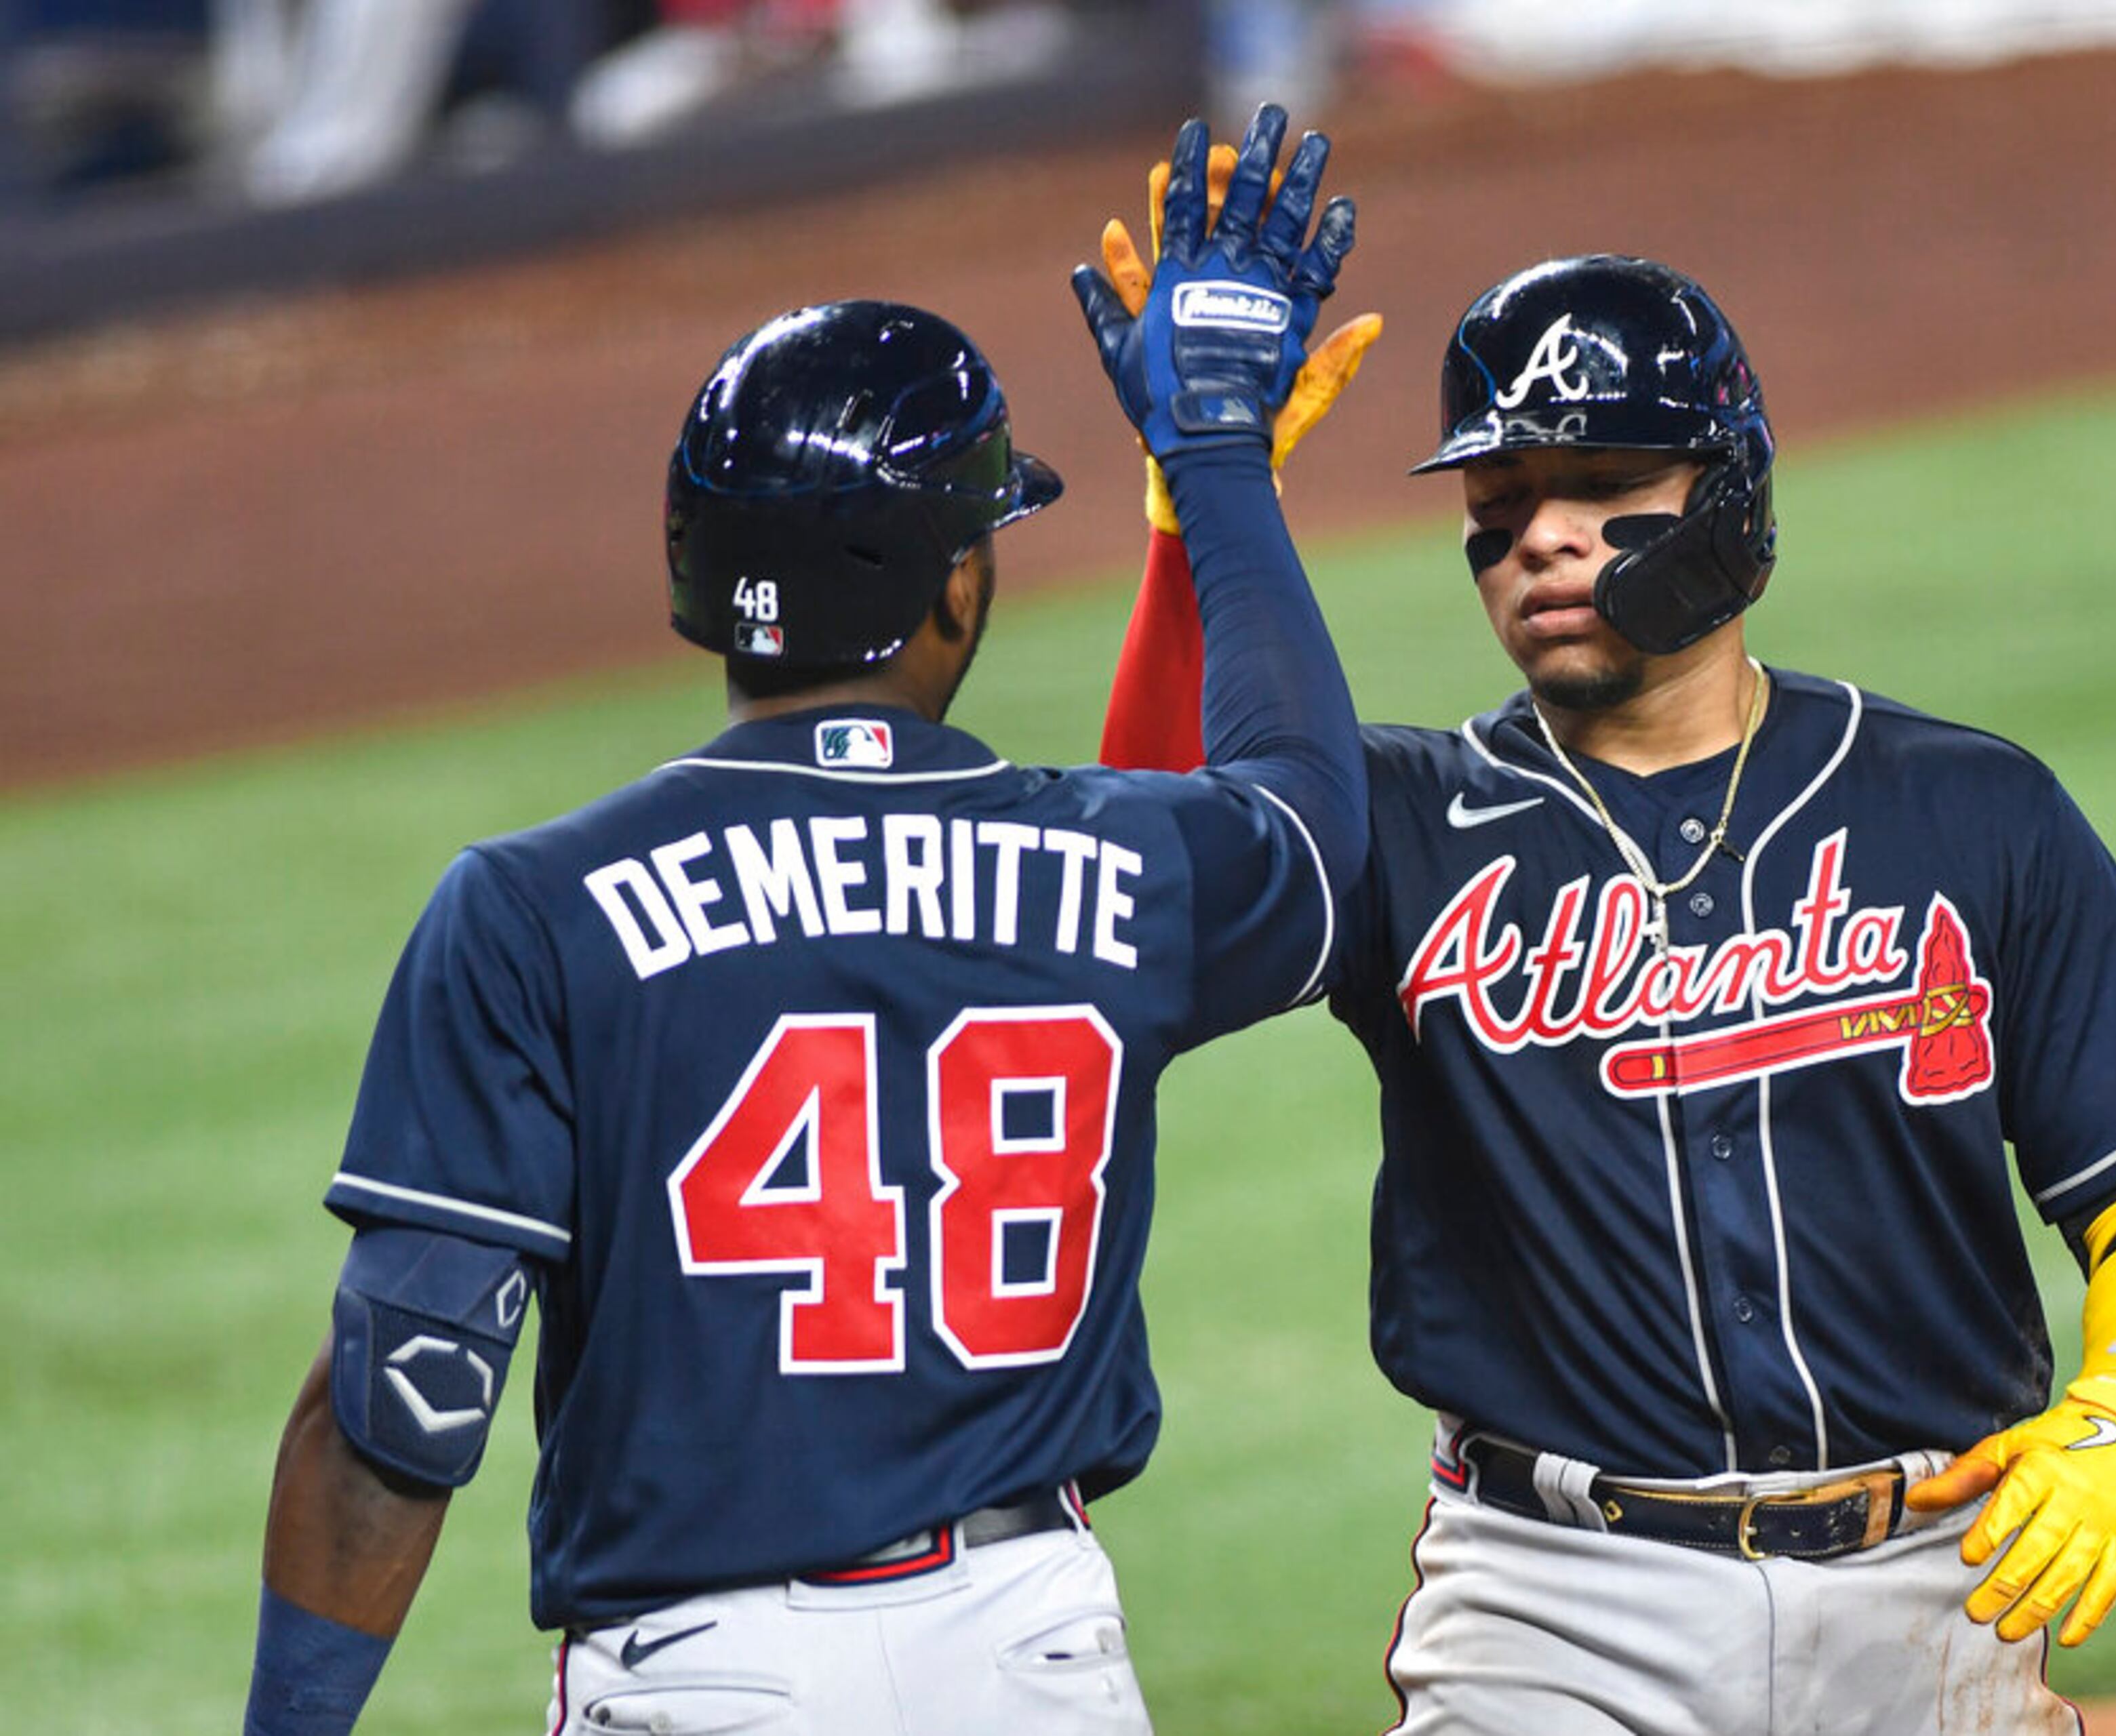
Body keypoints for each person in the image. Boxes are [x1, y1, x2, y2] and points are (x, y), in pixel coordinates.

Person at [242, 102, 1365, 1735]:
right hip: (1027, 1649)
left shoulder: (530, 908)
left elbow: (401, 1409)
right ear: (953, 585)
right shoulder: (1104, 869)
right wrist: (1209, 468)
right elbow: (1294, 829)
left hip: (711, 1675)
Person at [1098, 250, 2116, 1733]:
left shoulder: (1964, 809)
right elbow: (1146, 886)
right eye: (1497, 509)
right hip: (1556, 1601)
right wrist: (1192, 518)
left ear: (1729, 500)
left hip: (1936, 1580)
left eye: (1599, 485)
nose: (1539, 540)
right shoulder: (1401, 820)